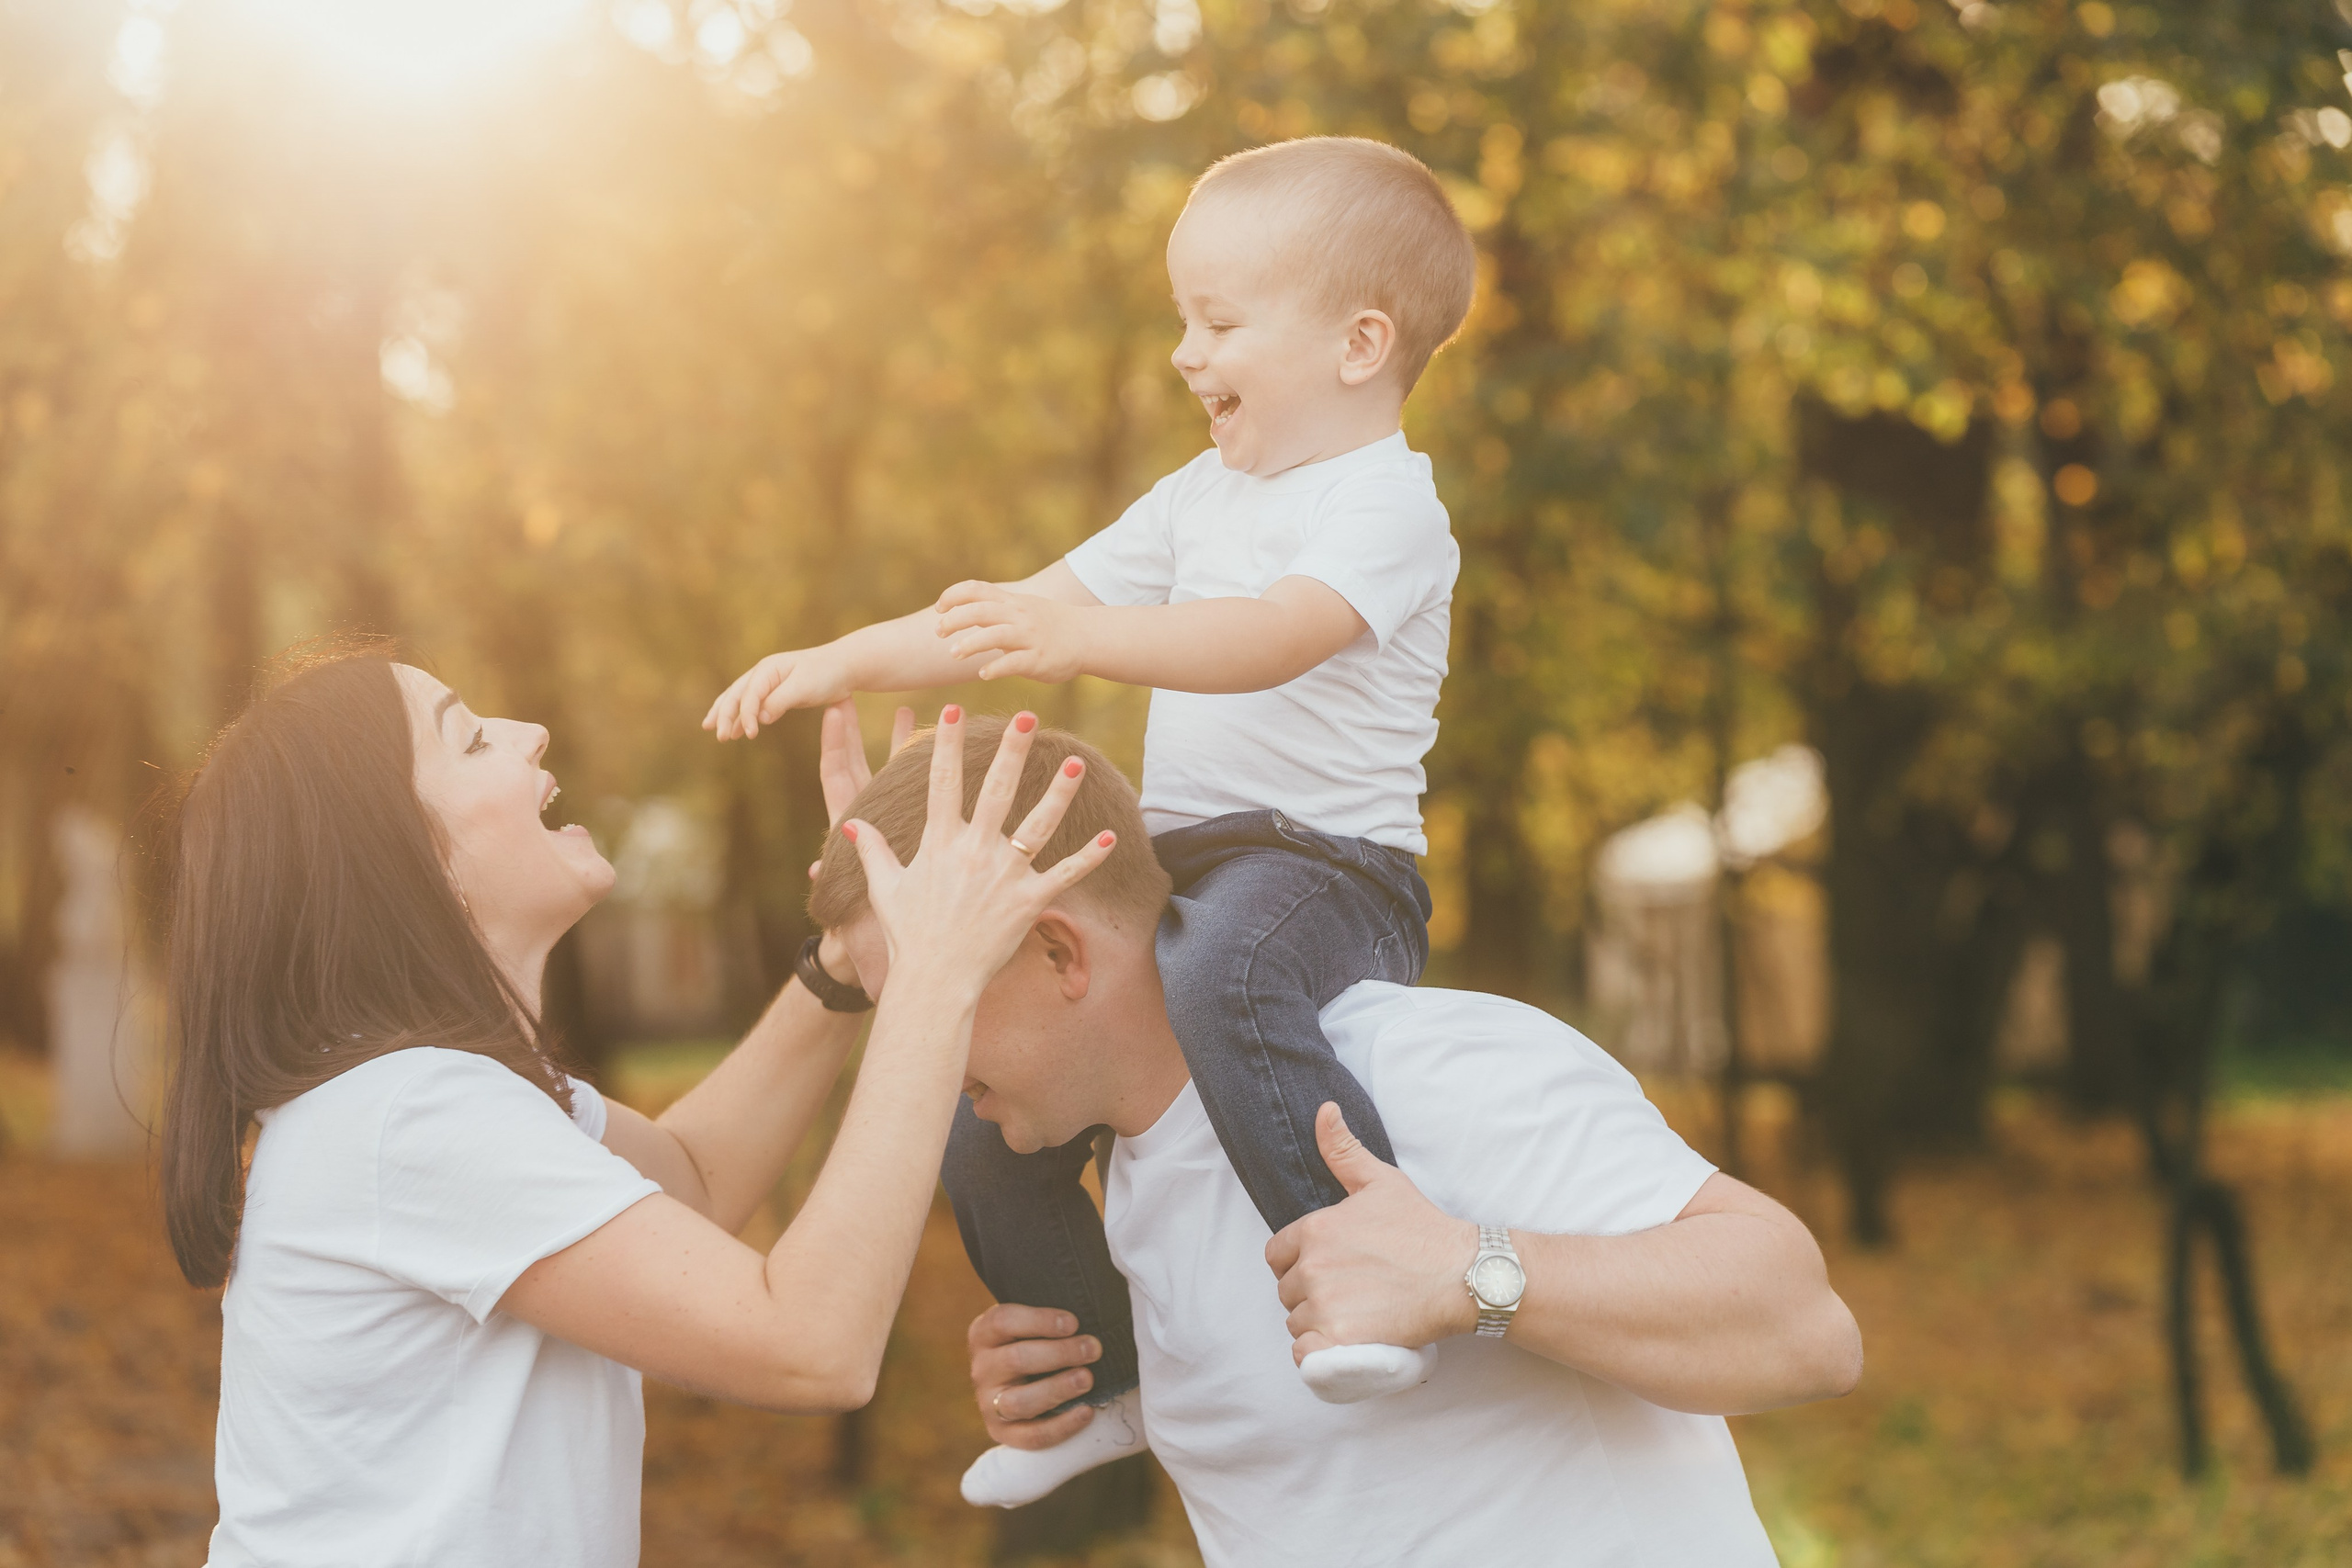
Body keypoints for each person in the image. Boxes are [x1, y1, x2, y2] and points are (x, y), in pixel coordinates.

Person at [706, 135, 1477, 1498]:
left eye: (1220, 321)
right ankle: (1114, 1382)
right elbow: (1002, 613)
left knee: (1226, 972)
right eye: (1184, 316)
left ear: (1362, 343)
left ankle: (1369, 1281)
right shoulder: (1201, 497)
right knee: (982, 1123)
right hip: (1181, 863)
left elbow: (1276, 636)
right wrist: (839, 658)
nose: (1187, 351)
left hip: (1323, 870)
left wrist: (1088, 634)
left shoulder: (1388, 506)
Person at [808, 710, 1864, 1561]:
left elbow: (1806, 1328)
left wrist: (1472, 1273)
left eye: (928, 1001)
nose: (909, 1057)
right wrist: (1084, 1380)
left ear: (1057, 953)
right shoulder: (1116, 1178)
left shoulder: (1420, 1068)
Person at [157, 642, 1118, 1568]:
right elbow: (812, 1346)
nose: (528, 730)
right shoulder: (410, 1115)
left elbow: (692, 1182)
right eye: (471, 739)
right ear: (398, 854)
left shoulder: (434, 1095)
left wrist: (846, 959)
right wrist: (932, 970)